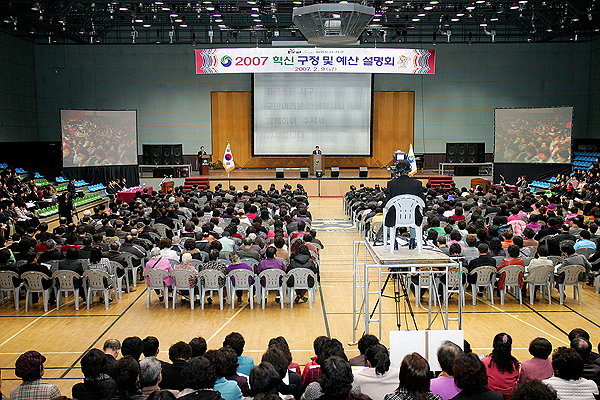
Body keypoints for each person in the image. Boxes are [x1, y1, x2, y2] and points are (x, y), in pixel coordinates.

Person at [384, 159, 425, 250]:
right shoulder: (417, 184)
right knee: (416, 213)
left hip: (395, 216)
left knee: (388, 215)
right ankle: (412, 241)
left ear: (397, 170)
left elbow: (386, 203)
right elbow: (423, 202)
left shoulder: (391, 184)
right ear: (409, 169)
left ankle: (394, 242)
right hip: (413, 216)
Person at [481, 333, 520, 398]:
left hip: (490, 397)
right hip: (509, 397)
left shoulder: (485, 362)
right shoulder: (515, 364)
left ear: (494, 345)